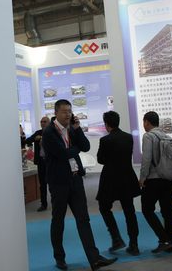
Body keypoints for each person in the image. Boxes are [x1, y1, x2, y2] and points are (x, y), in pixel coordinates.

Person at [42, 99, 117, 271]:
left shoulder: (72, 129)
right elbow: (63, 154)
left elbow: (86, 146)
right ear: (56, 113)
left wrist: (77, 129)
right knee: (58, 220)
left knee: (83, 219)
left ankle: (94, 259)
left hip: (75, 180)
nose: (68, 114)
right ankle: (59, 258)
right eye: (64, 111)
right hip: (59, 183)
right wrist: (75, 147)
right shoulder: (49, 132)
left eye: (69, 111)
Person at [96, 111, 141, 256]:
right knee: (129, 211)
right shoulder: (128, 137)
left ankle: (116, 239)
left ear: (106, 124)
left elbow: (101, 160)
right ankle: (134, 244)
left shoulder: (105, 140)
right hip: (127, 177)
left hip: (110, 179)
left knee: (104, 207)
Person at [139, 111, 172, 254]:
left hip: (153, 179)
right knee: (167, 211)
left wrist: (142, 178)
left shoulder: (148, 136)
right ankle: (170, 243)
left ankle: (163, 239)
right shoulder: (167, 137)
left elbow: (146, 159)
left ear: (147, 122)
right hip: (168, 179)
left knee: (147, 210)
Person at [25, 116, 50, 211]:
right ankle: (43, 204)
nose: (42, 123)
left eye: (45, 121)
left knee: (53, 183)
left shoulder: (52, 132)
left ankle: (57, 203)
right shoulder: (38, 133)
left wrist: (43, 138)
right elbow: (28, 140)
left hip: (51, 162)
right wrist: (35, 138)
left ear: (49, 123)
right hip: (41, 162)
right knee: (42, 184)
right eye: (41, 122)